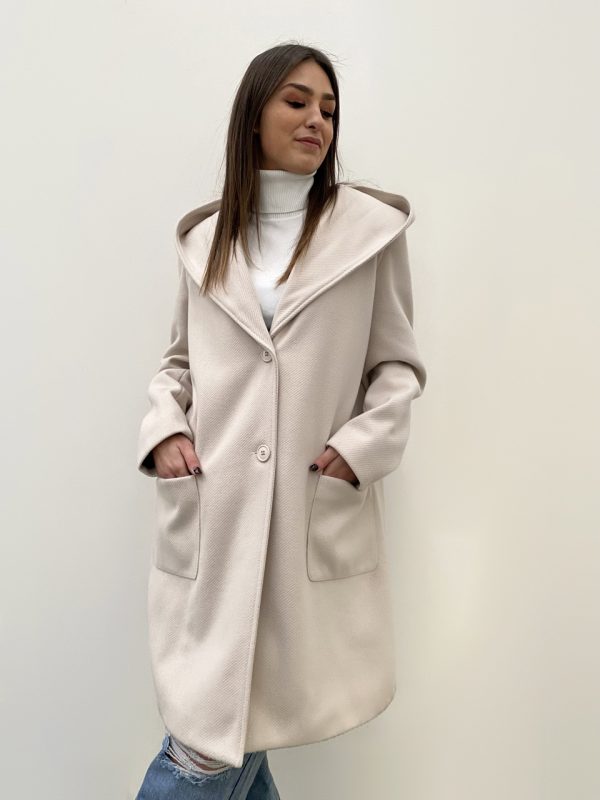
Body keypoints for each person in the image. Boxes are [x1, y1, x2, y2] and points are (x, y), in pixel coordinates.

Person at [135, 42, 427, 799]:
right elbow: (177, 364)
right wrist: (164, 430)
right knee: (225, 725)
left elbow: (396, 367)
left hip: (307, 511)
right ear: (253, 116)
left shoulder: (369, 233)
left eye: (329, 109)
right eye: (296, 102)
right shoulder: (203, 241)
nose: (317, 121)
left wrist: (359, 448)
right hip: (217, 512)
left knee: (213, 739)